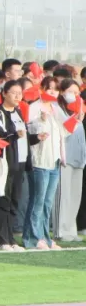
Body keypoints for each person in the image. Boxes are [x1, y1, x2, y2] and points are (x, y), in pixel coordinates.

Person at [24, 77, 65, 250]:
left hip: (54, 160)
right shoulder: (34, 107)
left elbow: (64, 131)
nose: (53, 92)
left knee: (48, 202)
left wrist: (77, 119)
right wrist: (40, 120)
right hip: (39, 161)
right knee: (37, 200)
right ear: (42, 89)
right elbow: (30, 131)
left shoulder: (56, 108)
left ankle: (45, 237)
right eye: (49, 89)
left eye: (56, 89)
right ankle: (33, 237)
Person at [0, 80, 29, 251]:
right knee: (3, 200)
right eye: (13, 92)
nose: (17, 96)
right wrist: (13, 134)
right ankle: (0, 239)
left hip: (20, 162)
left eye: (20, 93)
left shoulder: (18, 112)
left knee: (14, 200)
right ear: (4, 93)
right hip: (6, 162)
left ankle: (10, 237)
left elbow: (23, 137)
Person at [57, 80, 85, 242]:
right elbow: (64, 131)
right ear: (62, 92)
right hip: (65, 158)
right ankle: (61, 229)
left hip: (78, 159)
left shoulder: (80, 109)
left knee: (75, 195)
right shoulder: (59, 109)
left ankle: (71, 228)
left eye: (76, 92)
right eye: (71, 92)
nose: (74, 95)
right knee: (65, 195)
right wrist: (75, 118)